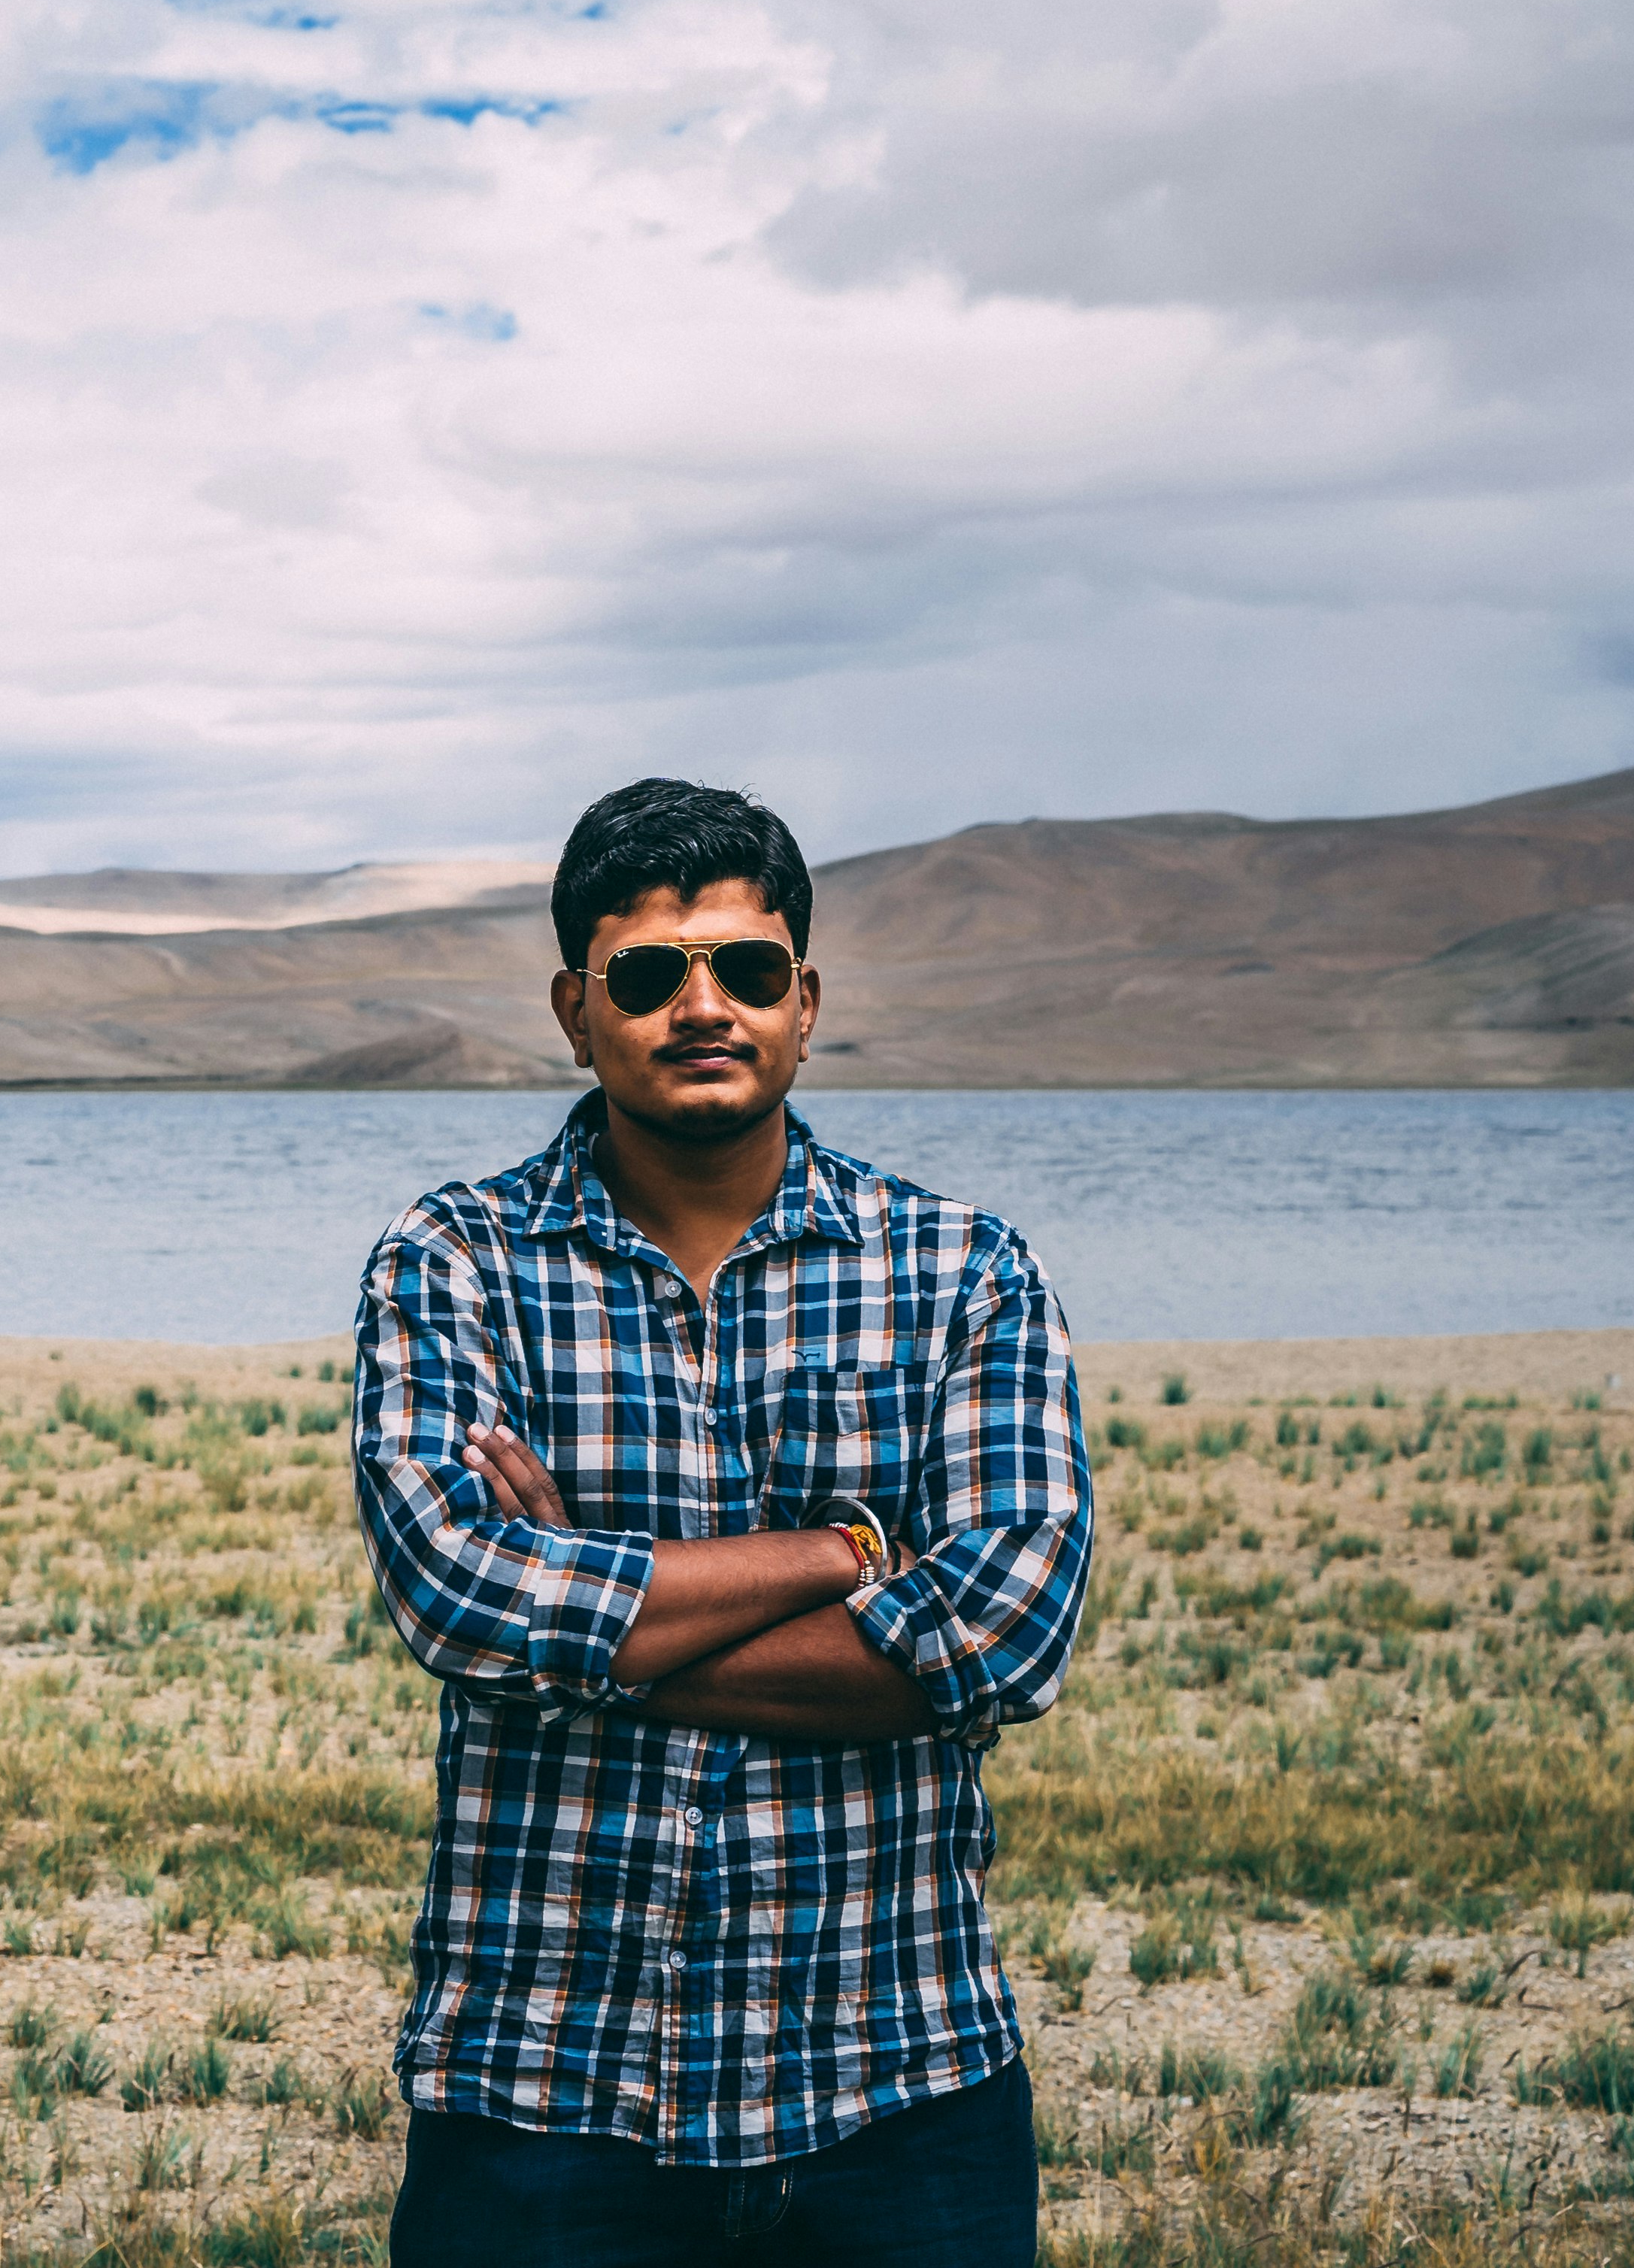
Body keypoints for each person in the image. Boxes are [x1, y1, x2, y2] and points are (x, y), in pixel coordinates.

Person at [353, 778, 1093, 2266]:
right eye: (649, 974)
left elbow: (1006, 1627)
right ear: (576, 1008)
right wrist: (848, 1552)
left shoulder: (960, 1270)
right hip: (540, 2090)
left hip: (900, 2084)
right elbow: (457, 1593)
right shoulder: (458, 1261)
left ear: (804, 1001)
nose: (704, 1005)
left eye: (747, 969)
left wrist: (587, 1627)